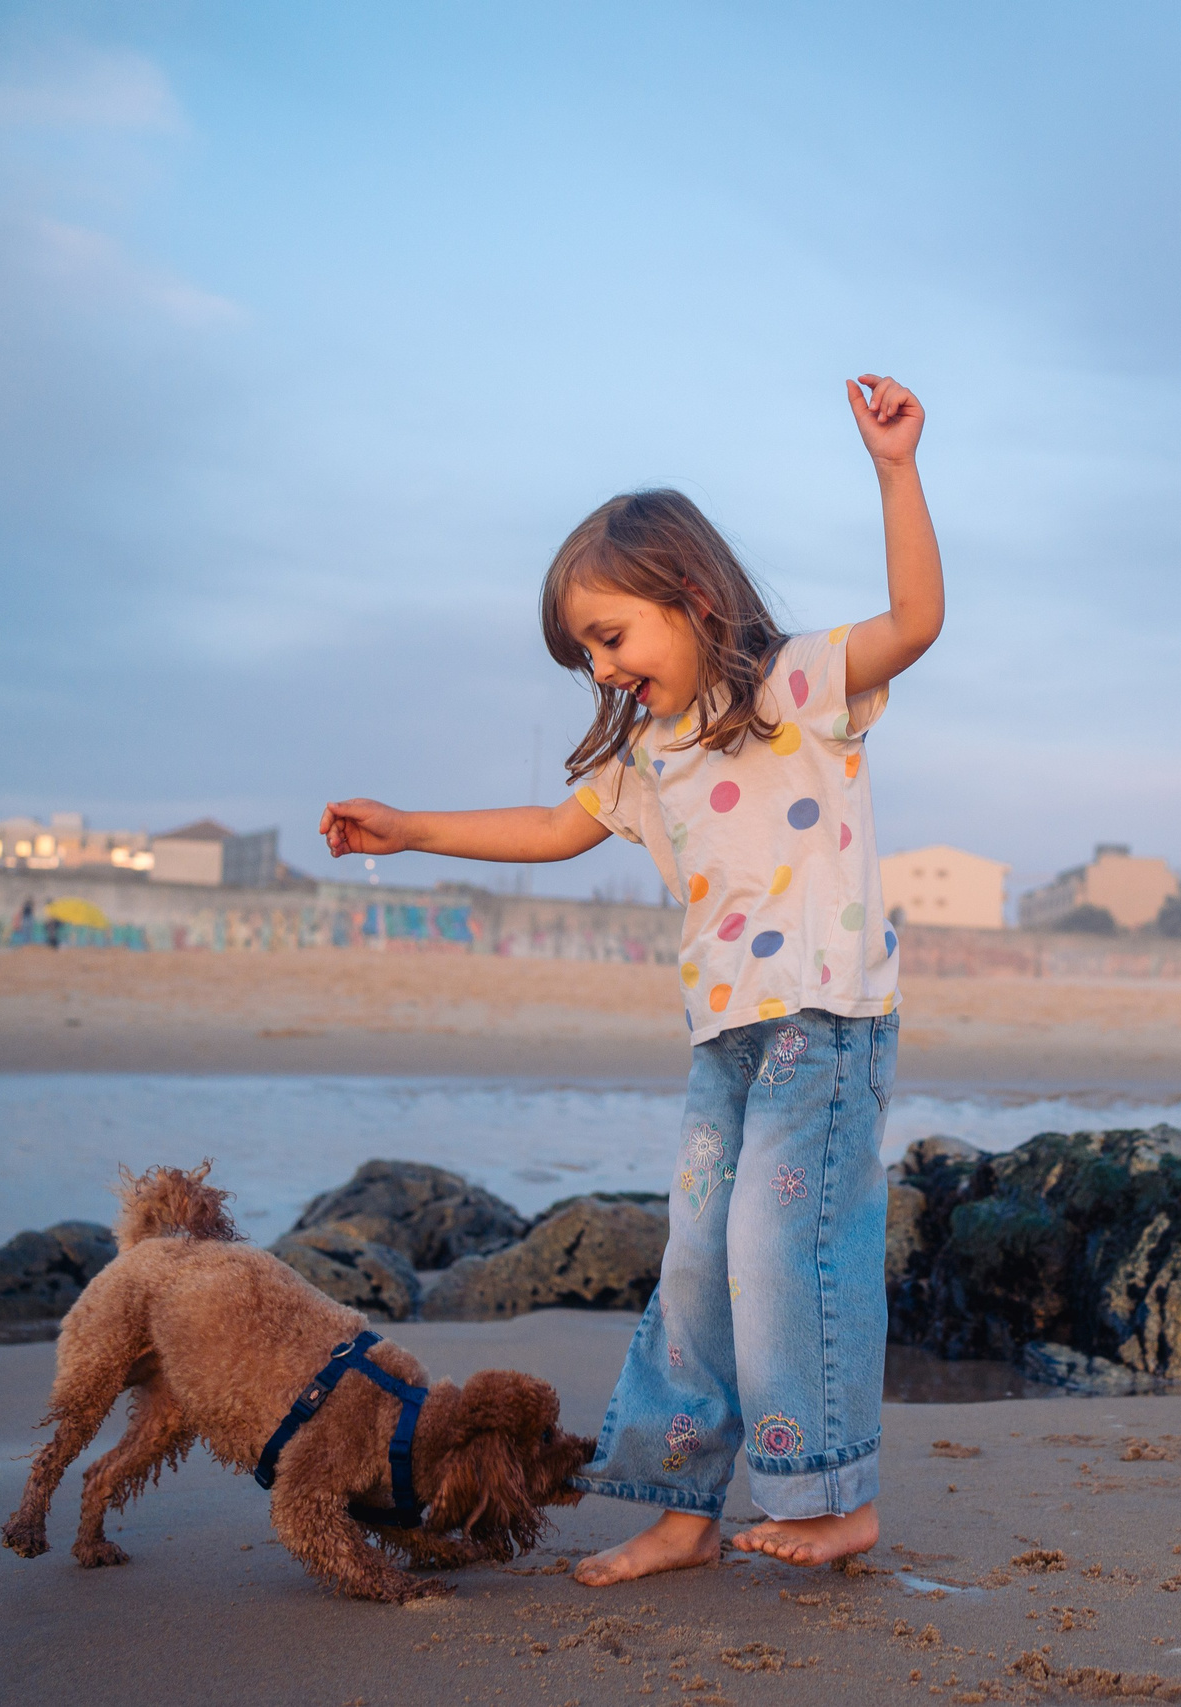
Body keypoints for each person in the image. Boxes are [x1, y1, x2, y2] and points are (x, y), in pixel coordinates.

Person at [319, 375, 943, 1577]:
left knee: (777, 1248)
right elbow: (551, 831)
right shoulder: (647, 753)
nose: (601, 670)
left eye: (610, 639)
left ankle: (831, 1493)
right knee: (695, 1265)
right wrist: (409, 828)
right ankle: (683, 1508)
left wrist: (895, 470)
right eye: (584, 654)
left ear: (692, 597)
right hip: (726, 1037)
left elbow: (913, 620)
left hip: (826, 1022)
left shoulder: (796, 691)